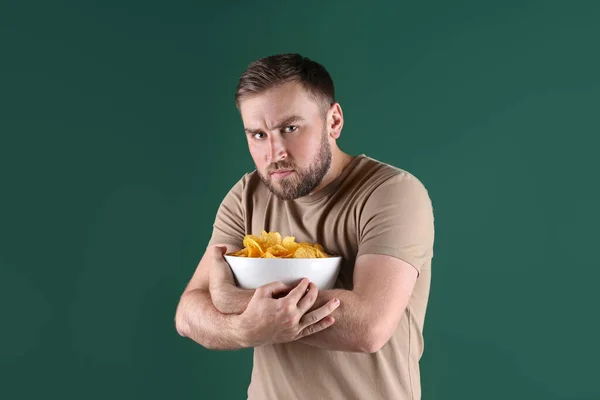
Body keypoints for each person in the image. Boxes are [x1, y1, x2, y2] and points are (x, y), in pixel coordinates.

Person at [175, 53, 435, 400]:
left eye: (290, 128)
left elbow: (369, 327)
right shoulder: (246, 195)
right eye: (257, 134)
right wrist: (244, 330)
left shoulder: (391, 192)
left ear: (334, 121)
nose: (274, 152)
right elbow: (189, 314)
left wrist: (230, 297)